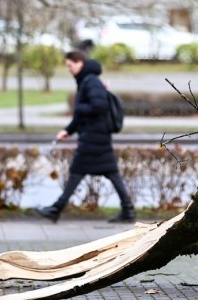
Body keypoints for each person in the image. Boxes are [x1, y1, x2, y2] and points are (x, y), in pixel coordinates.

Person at [34, 51, 135, 223]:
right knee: (110, 172)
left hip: (93, 137)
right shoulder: (87, 81)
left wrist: (78, 108)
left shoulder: (90, 81)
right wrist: (68, 130)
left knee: (77, 171)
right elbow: (83, 115)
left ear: (79, 63)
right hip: (96, 135)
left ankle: (56, 209)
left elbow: (99, 106)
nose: (69, 69)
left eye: (70, 65)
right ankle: (128, 210)